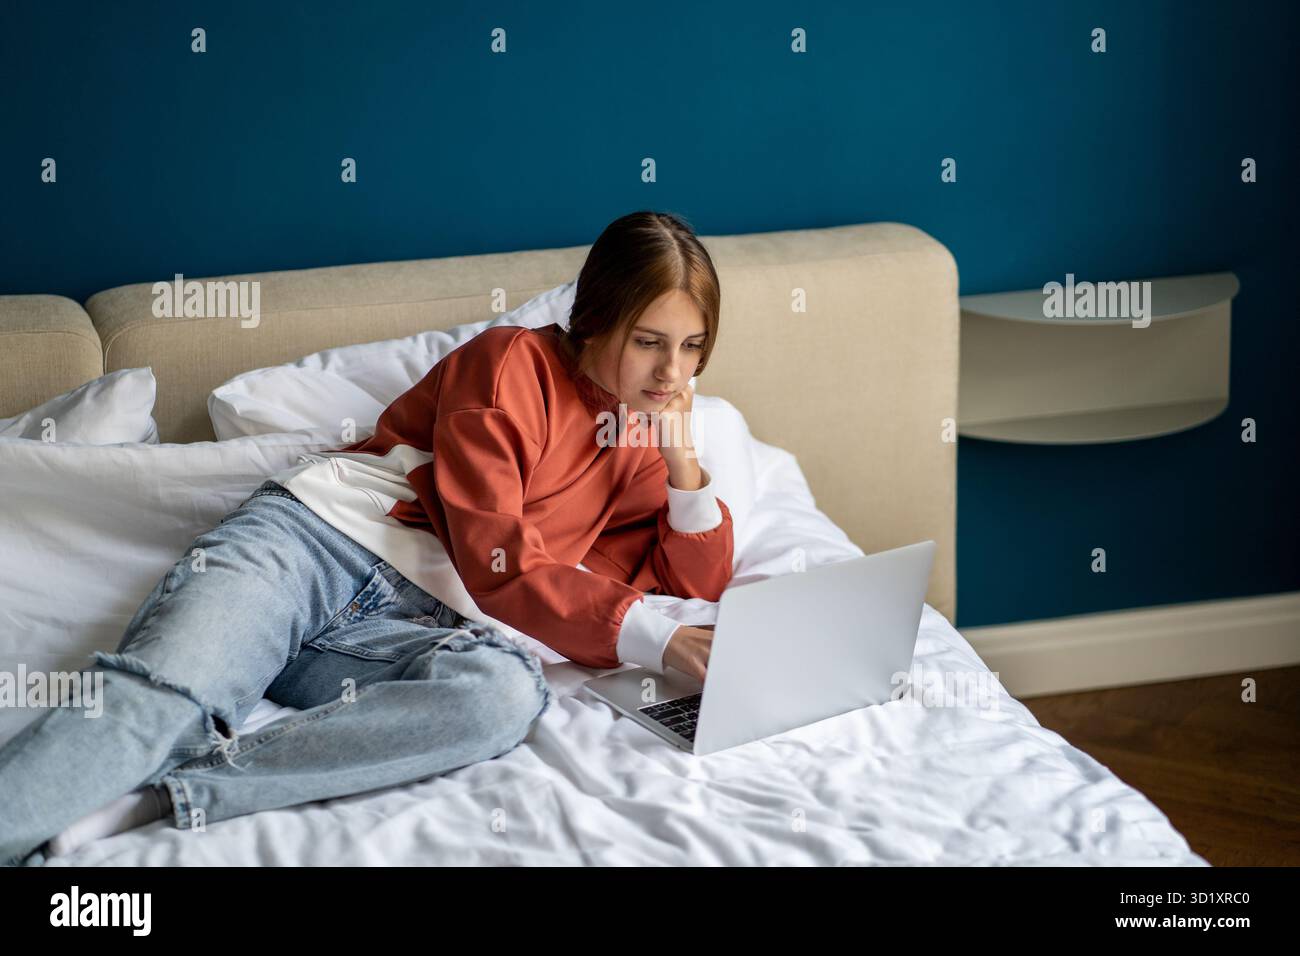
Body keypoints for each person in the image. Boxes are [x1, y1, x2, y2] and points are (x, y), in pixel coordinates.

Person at [0, 209, 733, 866]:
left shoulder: (643, 429)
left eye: (692, 346)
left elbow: (693, 584)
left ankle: (167, 798)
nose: (672, 372)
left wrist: (683, 462)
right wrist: (658, 641)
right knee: (162, 699)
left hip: (403, 632)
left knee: (502, 693)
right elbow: (499, 563)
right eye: (649, 343)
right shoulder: (510, 362)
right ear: (596, 319)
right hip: (314, 550)